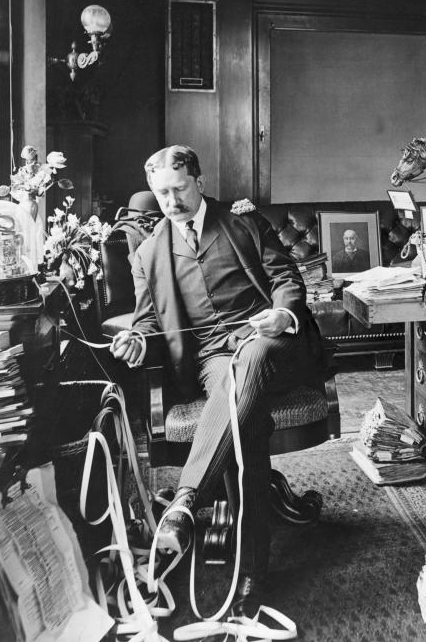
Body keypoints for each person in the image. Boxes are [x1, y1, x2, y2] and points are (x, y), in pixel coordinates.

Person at [109, 144, 324, 609]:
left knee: (250, 359)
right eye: (161, 193)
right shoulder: (149, 254)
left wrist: (282, 315)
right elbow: (148, 321)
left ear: (200, 182)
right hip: (212, 361)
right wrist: (137, 342)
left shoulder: (244, 222)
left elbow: (286, 276)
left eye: (180, 188)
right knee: (240, 412)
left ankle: (187, 501)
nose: (171, 201)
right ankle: (251, 573)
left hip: (271, 344)